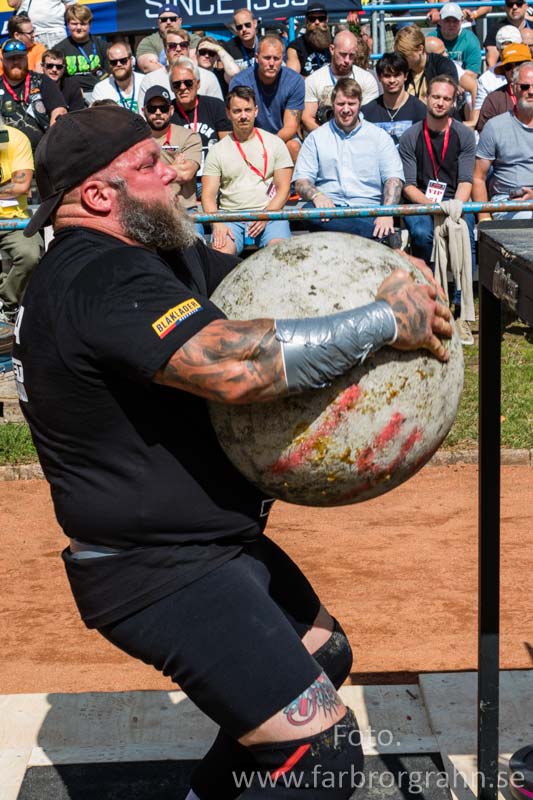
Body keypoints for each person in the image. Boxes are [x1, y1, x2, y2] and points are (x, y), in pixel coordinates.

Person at [13, 102, 452, 800]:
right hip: (157, 571)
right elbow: (233, 366)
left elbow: (273, 279)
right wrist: (381, 319)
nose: (177, 172)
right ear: (98, 195)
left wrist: (373, 268)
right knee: (321, 754)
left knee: (325, 655)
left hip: (209, 545)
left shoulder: (153, 250)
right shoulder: (95, 276)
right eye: (151, 164)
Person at [398, 74, 476, 345]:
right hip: (421, 202)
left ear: (454, 102)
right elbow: (408, 186)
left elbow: (466, 181)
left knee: (465, 233)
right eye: (436, 97)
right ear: (426, 98)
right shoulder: (410, 136)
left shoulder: (464, 135)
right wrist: (433, 207)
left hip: (455, 201)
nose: (440, 103)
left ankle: (460, 310)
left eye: (446, 98)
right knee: (423, 235)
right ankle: (430, 299)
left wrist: (452, 209)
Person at [294, 77, 404, 243]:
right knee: (309, 212)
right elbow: (301, 181)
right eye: (341, 104)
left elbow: (394, 180)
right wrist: (317, 195)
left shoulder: (379, 137)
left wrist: (386, 213)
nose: (346, 109)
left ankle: (370, 230)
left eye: (351, 104)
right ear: (332, 104)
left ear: (359, 104)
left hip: (368, 209)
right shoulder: (316, 138)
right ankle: (378, 235)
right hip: (330, 209)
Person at [202, 86, 293, 255]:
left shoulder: (275, 143)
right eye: (237, 111)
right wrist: (217, 223)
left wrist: (267, 215)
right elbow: (208, 195)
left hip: (270, 214)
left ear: (256, 111)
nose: (243, 116)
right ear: (228, 113)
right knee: (220, 254)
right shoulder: (217, 150)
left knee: (281, 255)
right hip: (230, 216)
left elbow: (284, 189)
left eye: (247, 110)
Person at [229, 35, 305, 163]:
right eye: (267, 58)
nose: (271, 63)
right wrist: (256, 146)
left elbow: (291, 127)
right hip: (250, 135)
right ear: (257, 58)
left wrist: (268, 146)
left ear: (283, 59)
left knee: (294, 147)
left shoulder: (295, 81)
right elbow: (241, 121)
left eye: (276, 58)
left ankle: (288, 183)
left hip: (282, 137)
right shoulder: (240, 82)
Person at [473, 62, 533, 221]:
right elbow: (478, 177)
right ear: (513, 88)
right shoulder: (495, 126)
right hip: (508, 200)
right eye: (525, 87)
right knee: (525, 218)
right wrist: (484, 218)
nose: (531, 92)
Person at [0, 117, 43, 323]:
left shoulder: (16, 138)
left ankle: (7, 305)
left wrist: (12, 185)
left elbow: (21, 185)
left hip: (14, 219)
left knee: (31, 254)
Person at [143, 84, 203, 231]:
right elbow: (130, 176)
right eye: (152, 108)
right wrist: (173, 168)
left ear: (171, 110)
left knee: (196, 246)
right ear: (144, 111)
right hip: (147, 210)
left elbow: (186, 174)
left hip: (185, 210)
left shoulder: (189, 136)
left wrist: (147, 170)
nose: (158, 112)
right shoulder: (134, 138)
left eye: (163, 108)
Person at [302, 30, 379, 133]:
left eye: (351, 55)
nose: (347, 60)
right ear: (332, 49)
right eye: (343, 54)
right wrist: (331, 138)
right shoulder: (314, 80)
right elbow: (307, 118)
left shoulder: (366, 79)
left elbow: (370, 117)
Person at [0, 39, 66, 151]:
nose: (16, 62)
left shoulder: (42, 81)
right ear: (2, 60)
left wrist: (51, 141)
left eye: (20, 58)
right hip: (8, 153)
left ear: (26, 58)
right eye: (11, 58)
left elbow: (59, 110)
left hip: (42, 151)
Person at [169, 57, 231, 176]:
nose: (183, 88)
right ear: (172, 87)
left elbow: (227, 146)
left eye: (188, 83)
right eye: (177, 84)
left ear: (198, 83)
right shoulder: (167, 111)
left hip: (214, 175)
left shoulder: (215, 106)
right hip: (181, 177)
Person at [138, 28, 223, 111]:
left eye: (183, 45)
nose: (178, 49)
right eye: (172, 46)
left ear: (188, 48)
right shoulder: (150, 80)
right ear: (165, 50)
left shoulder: (208, 77)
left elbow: (218, 110)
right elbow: (143, 116)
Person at [361, 53, 426, 147]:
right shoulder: (367, 112)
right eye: (387, 76)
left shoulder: (420, 110)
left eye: (396, 75)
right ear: (379, 77)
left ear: (405, 76)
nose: (392, 80)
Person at [56, 3, 109, 99]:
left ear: (90, 24)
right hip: (72, 95)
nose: (79, 28)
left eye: (83, 24)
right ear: (68, 24)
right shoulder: (59, 49)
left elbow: (109, 74)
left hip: (101, 93)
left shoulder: (102, 46)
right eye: (74, 24)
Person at [476, 43, 532, 132]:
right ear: (504, 71)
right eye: (508, 66)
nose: (514, 70)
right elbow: (486, 134)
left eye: (519, 64)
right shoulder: (494, 100)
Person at [395, 25, 458, 103]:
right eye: (399, 55)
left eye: (405, 55)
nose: (401, 59)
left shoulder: (443, 66)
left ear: (420, 49)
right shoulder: (400, 71)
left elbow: (446, 102)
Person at [472, 25, 522, 119]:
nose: (508, 53)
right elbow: (479, 114)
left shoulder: (530, 71)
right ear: (498, 50)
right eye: (504, 50)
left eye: (512, 48)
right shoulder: (487, 79)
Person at [91, 42, 143, 113]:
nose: (118, 64)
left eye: (123, 60)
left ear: (131, 60)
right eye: (113, 62)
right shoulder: (100, 89)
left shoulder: (144, 81)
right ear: (109, 64)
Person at [286, 2, 332, 76]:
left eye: (321, 18)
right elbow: (292, 77)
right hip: (308, 87)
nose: (317, 22)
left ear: (326, 20)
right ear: (306, 21)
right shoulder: (295, 47)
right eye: (312, 19)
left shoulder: (334, 44)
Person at [6, 0, 75, 49]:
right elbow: (12, 3)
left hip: (56, 32)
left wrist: (56, 16)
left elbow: (71, 4)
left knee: (59, 66)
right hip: (30, 35)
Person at [436, 3, 482, 76]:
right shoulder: (432, 40)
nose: (451, 24)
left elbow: (473, 74)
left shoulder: (471, 40)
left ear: (462, 20)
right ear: (440, 21)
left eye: (455, 20)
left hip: (462, 85)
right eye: (447, 20)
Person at [484, 0, 532, 68]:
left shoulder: (531, 28)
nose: (514, 7)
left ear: (526, 6)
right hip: (505, 74)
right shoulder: (495, 30)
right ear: (505, 7)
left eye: (519, 3)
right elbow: (491, 63)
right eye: (510, 4)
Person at [135, 5, 183, 74]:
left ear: (180, 21)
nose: (168, 22)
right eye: (164, 19)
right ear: (158, 22)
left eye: (172, 19)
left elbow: (195, 61)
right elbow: (148, 66)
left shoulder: (192, 39)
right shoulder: (148, 42)